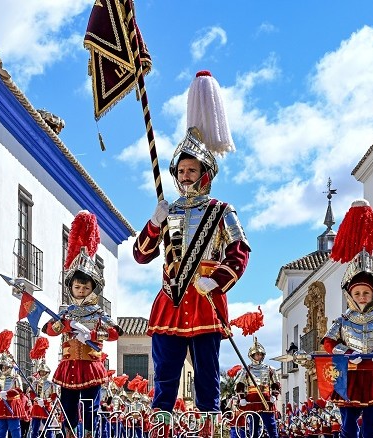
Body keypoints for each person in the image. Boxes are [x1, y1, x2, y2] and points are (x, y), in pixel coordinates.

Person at [132, 72, 249, 428]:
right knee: (165, 379)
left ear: (204, 173)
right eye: (181, 169)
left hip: (205, 300)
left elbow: (240, 251)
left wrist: (218, 281)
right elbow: (142, 254)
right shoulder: (169, 211)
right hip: (171, 299)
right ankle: (162, 431)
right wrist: (154, 223)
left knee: (207, 381)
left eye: (191, 169)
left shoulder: (221, 211)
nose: (185, 175)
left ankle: (209, 432)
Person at [321, 200, 373, 438]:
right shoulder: (342, 321)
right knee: (348, 427)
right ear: (351, 295)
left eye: (366, 293)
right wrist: (345, 353)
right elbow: (327, 343)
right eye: (357, 293)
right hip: (350, 375)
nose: (361, 297)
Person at [43, 211, 122, 438]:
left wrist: (93, 333)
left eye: (85, 287)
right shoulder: (65, 312)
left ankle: (88, 435)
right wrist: (65, 326)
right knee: (67, 405)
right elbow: (49, 330)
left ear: (92, 288)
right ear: (72, 288)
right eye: (77, 287)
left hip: (90, 365)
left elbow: (115, 332)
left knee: (89, 407)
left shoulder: (98, 312)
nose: (81, 291)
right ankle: (69, 435)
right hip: (69, 365)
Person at [233, 339, 281, 438]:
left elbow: (276, 384)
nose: (258, 356)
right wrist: (241, 398)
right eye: (256, 354)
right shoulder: (246, 369)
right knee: (253, 428)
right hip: (252, 402)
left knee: (271, 426)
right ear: (252, 356)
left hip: (266, 401)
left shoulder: (270, 369)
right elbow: (239, 385)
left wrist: (274, 396)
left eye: (260, 354)